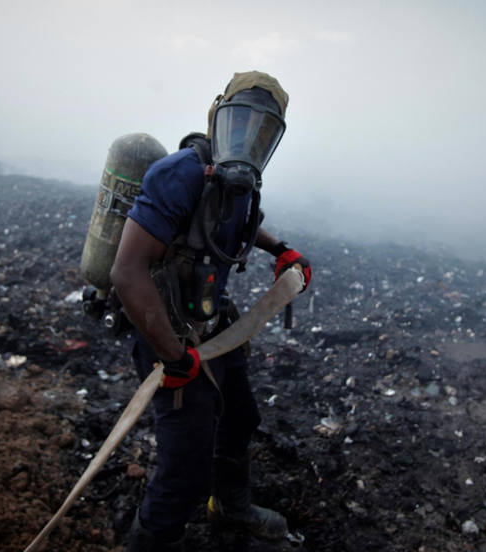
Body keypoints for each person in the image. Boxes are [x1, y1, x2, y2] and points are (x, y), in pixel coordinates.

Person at [110, 71, 312, 551]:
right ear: (218, 115)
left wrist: (280, 250)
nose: (248, 136)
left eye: (263, 128)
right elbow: (126, 273)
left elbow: (240, 222)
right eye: (240, 119)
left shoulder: (239, 182)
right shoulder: (178, 174)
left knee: (239, 418)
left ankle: (230, 507)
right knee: (185, 466)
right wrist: (175, 360)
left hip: (214, 323)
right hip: (167, 330)